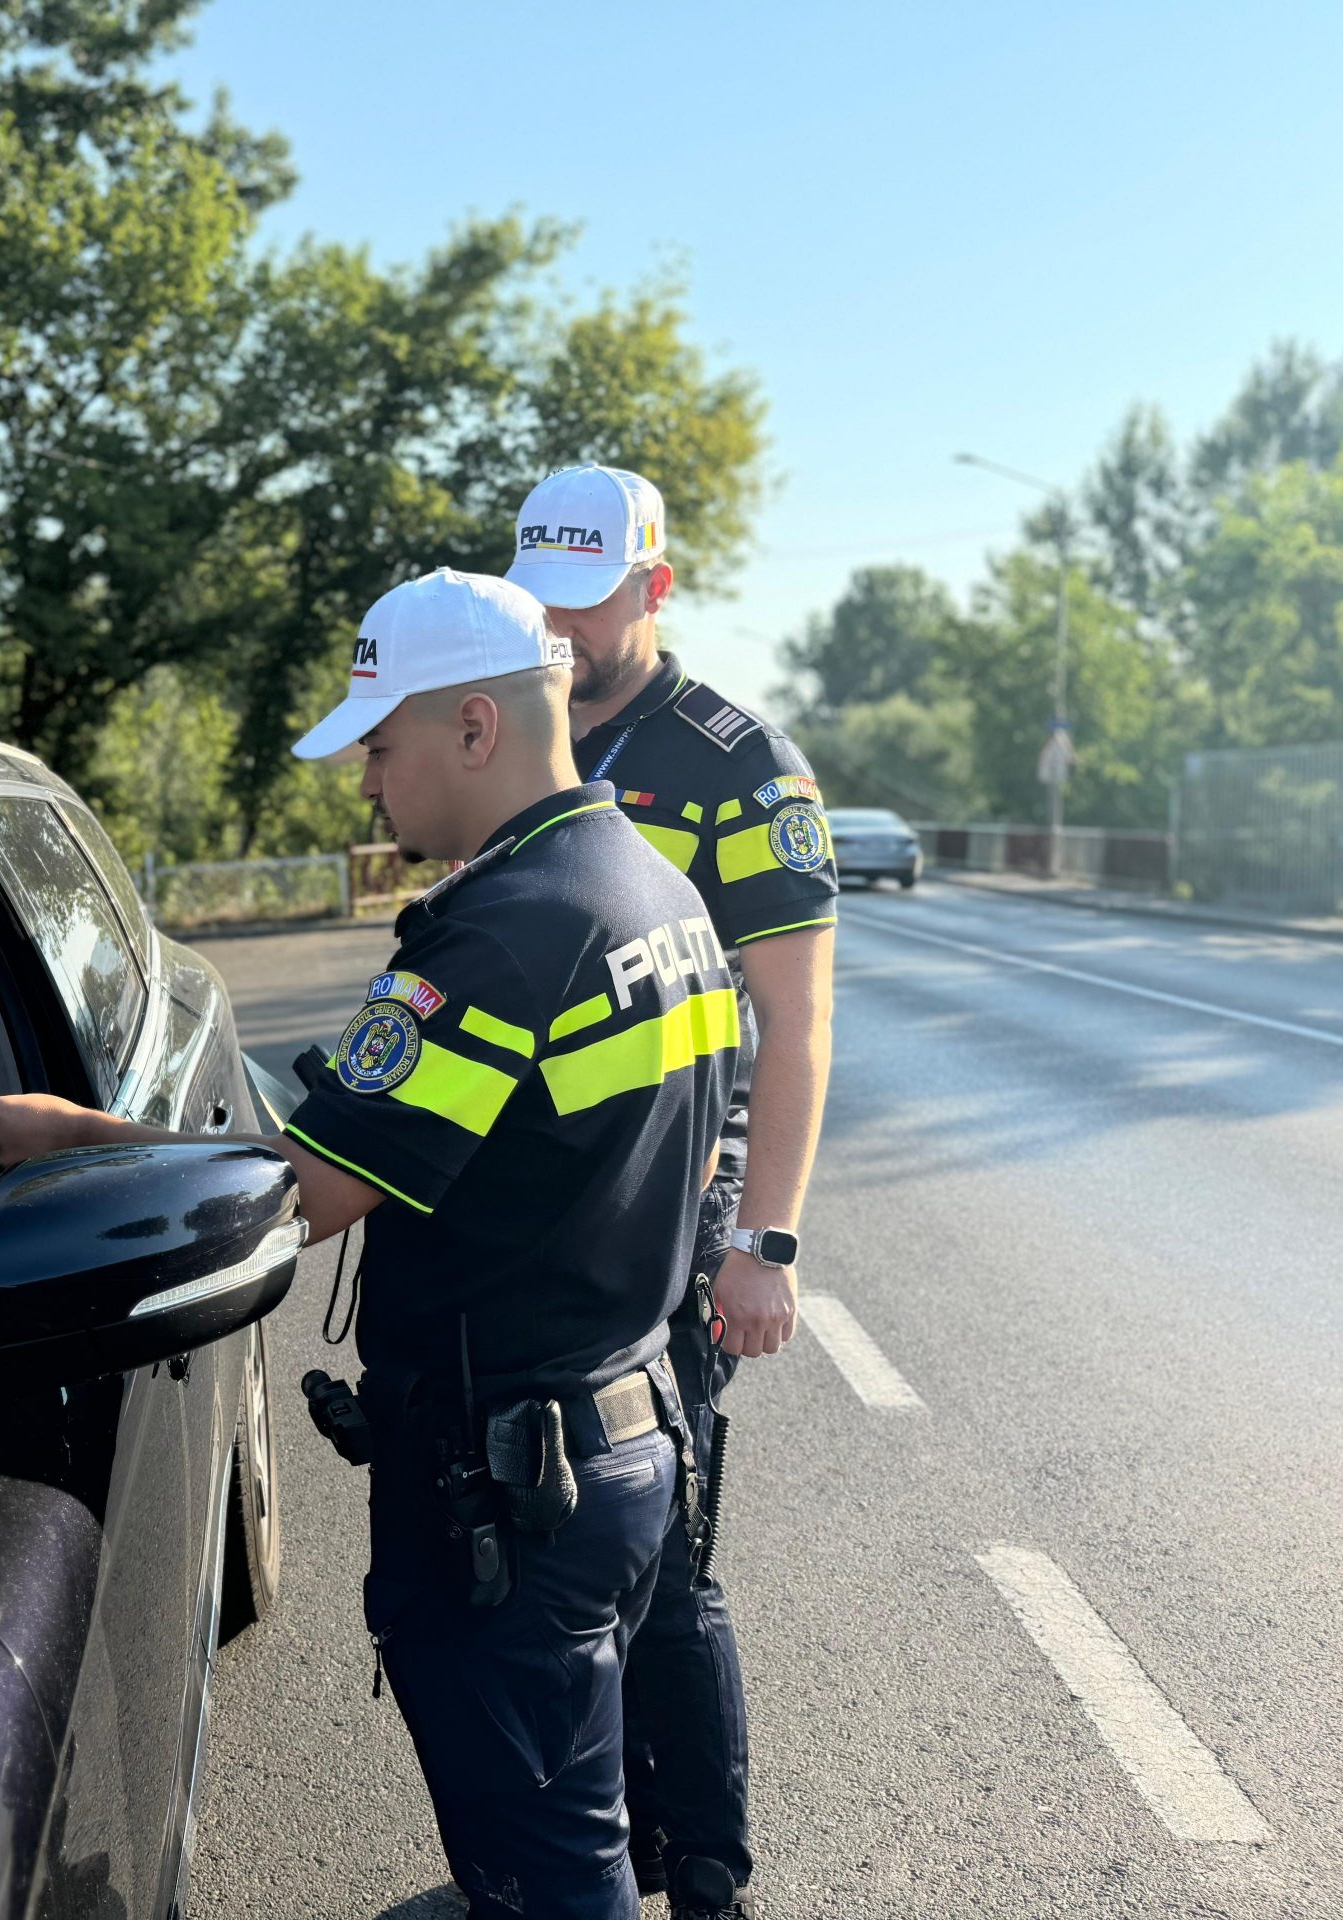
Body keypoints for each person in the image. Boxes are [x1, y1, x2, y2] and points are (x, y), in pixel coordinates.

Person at [0, 567, 739, 1920]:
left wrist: (74, 1140)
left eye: (380, 745)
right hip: (624, 1438)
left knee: (550, 1877)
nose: (365, 783)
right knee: (572, 1825)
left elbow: (305, 1193)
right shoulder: (649, 889)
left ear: (475, 729)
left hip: (515, 1481)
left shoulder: (497, 939)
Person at [508, 465, 840, 1918]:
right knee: (539, 1553)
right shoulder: (508, 725)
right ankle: (581, 1847)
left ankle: (702, 1868)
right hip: (533, 1216)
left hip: (675, 1220)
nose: (564, 627)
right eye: (543, 596)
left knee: (666, 1558)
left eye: (591, 595)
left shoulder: (733, 763)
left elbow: (800, 1020)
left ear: (654, 587)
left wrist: (763, 1242)